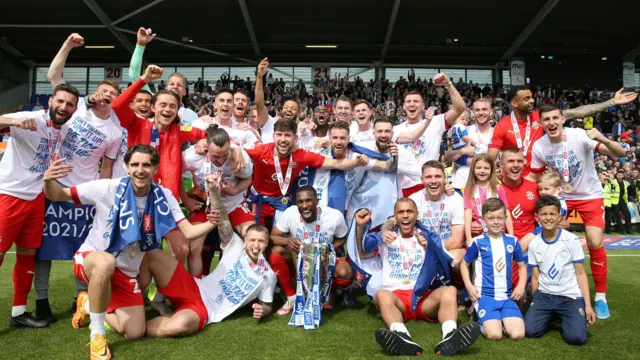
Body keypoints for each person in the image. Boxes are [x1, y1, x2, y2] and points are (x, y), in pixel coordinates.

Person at [42, 144, 219, 359]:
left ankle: (88, 304)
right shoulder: (107, 188)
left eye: (146, 165)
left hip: (126, 272)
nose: (140, 170)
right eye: (134, 164)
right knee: (106, 262)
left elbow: (189, 232)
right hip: (91, 259)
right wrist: (48, 180)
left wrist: (212, 223)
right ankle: (97, 336)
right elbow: (59, 195)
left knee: (135, 331)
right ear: (126, 167)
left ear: (155, 168)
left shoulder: (164, 195)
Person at [37, 32, 124, 323]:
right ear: (93, 93)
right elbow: (53, 74)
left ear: (115, 99)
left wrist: (106, 196)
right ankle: (41, 302)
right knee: (44, 246)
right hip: (52, 185)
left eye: (112, 95)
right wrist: (67, 45)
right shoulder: (75, 108)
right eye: (102, 91)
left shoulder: (114, 130)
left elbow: (108, 168)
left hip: (83, 192)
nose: (105, 96)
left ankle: (80, 298)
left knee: (83, 247)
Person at [138, 178, 276, 337]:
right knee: (151, 254)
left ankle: (136, 327)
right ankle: (133, 302)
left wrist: (262, 310)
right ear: (245, 240)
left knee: (179, 326)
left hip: (206, 309)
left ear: (266, 244)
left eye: (261, 241)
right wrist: (213, 190)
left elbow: (267, 304)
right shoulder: (236, 246)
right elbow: (223, 218)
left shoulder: (268, 275)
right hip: (194, 286)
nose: (256, 245)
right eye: (252, 240)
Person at [530, 103, 626, 319]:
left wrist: (603, 138)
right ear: (542, 123)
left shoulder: (579, 135)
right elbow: (533, 177)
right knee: (552, 238)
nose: (551, 123)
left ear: (562, 119)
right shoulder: (539, 146)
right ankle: (556, 290)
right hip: (561, 197)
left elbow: (619, 153)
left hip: (589, 194)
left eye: (555, 118)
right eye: (547, 120)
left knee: (594, 241)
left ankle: (600, 297)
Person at [355, 199, 481, 356]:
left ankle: (450, 336)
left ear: (416, 215)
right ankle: (402, 336)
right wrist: (361, 227)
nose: (405, 216)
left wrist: (431, 246)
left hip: (423, 297)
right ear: (395, 216)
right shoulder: (386, 236)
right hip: (397, 299)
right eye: (401, 212)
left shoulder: (428, 237)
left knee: (450, 291)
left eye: (409, 211)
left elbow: (447, 262)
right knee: (381, 295)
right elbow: (361, 251)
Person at [0, 83, 79, 328]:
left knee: (27, 255)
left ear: (75, 110)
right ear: (50, 102)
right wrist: (13, 121)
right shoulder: (29, 117)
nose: (64, 107)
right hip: (10, 194)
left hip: (36, 198)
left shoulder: (65, 130)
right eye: (60, 101)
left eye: (69, 104)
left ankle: (18, 313)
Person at [244, 117, 369, 227]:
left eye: (287, 135)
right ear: (273, 136)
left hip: (280, 202)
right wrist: (235, 149)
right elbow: (233, 150)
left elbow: (335, 163)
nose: (283, 139)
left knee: (279, 243)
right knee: (255, 236)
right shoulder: (260, 151)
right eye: (279, 135)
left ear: (295, 138)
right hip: (257, 199)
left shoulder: (302, 156)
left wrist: (356, 163)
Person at [488, 86, 637, 177]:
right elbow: (490, 159)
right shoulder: (502, 126)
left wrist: (611, 102)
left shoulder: (541, 117)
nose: (532, 101)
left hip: (536, 179)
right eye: (526, 99)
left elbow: (578, 112)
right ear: (514, 103)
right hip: (513, 178)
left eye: (531, 97)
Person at [183, 125, 254, 277]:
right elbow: (173, 173)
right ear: (206, 147)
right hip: (205, 206)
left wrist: (234, 190)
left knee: (253, 238)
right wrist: (186, 198)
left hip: (232, 204)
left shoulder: (239, 158)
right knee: (194, 247)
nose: (221, 160)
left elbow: (248, 178)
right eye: (216, 157)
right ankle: (198, 292)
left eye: (224, 155)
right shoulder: (193, 155)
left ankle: (247, 289)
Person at [525, 196, 596, 345]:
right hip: (544, 296)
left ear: (559, 216)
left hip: (569, 297)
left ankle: (565, 315)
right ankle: (551, 316)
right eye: (544, 214)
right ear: (537, 217)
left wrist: (588, 305)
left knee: (577, 338)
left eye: (552, 214)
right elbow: (535, 277)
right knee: (530, 331)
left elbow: (581, 274)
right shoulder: (534, 244)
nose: (548, 218)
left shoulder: (571, 240)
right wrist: (536, 300)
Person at [269, 186, 350, 315]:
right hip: (299, 260)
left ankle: (329, 290)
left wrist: (328, 249)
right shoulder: (290, 213)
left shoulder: (334, 216)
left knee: (345, 272)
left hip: (324, 259)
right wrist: (287, 241)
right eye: (300, 202)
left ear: (317, 201)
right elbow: (273, 236)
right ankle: (291, 296)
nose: (304, 205)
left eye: (308, 201)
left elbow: (342, 238)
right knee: (276, 252)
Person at [460, 198, 526, 341]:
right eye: (491, 218)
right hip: (485, 297)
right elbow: (464, 264)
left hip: (507, 297)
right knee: (495, 335)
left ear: (505, 218)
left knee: (518, 335)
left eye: (499, 218)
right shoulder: (477, 242)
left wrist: (520, 286)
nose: (495, 222)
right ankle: (480, 316)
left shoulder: (512, 241)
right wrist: (469, 286)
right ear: (484, 219)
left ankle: (499, 320)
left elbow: (522, 266)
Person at [394, 73, 466, 191]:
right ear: (403, 106)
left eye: (416, 101)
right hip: (403, 188)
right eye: (408, 101)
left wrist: (448, 85)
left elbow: (460, 107)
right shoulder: (395, 129)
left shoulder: (436, 122)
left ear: (423, 106)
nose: (412, 104)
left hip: (430, 185)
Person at [408, 161, 465, 265]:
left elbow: (457, 241)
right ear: (422, 179)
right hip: (421, 249)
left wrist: (431, 247)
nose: (433, 181)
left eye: (437, 176)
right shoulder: (414, 199)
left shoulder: (456, 199)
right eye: (428, 177)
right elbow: (397, 221)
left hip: (445, 248)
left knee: (455, 258)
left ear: (445, 179)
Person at [444, 98, 494, 191]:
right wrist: (462, 151)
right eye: (477, 110)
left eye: (484, 109)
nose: (481, 113)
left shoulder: (498, 133)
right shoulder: (463, 130)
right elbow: (446, 158)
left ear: (491, 112)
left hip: (488, 184)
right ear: (473, 113)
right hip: (463, 184)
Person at [463, 154, 513, 243]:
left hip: (498, 232)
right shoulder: (469, 189)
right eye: (478, 168)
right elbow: (468, 212)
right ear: (473, 170)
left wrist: (511, 235)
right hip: (479, 234)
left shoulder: (498, 188)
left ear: (491, 170)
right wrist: (468, 237)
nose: (482, 171)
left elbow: (506, 212)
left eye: (486, 168)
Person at [611, 169, 633, 234]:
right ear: (616, 175)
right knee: (617, 217)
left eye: (621, 175)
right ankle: (622, 230)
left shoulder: (626, 183)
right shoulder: (612, 181)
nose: (620, 176)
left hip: (623, 201)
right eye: (618, 175)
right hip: (615, 202)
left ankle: (629, 229)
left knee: (628, 215)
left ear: (623, 176)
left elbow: (629, 192)